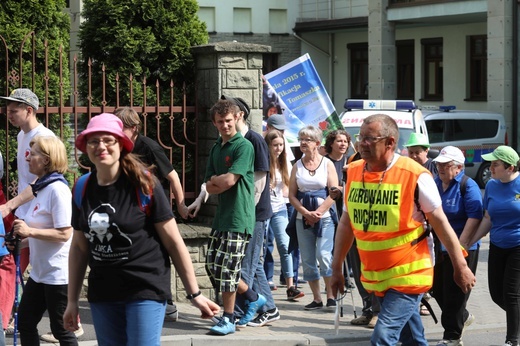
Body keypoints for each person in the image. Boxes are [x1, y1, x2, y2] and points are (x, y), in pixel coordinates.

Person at [63, 113, 219, 345]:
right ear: (86, 147)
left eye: (108, 140)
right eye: (94, 141)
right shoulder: (82, 188)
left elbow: (174, 242)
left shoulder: (144, 184)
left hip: (144, 287)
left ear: (121, 144)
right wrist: (72, 301)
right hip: (103, 291)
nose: (101, 146)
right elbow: (78, 247)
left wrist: (194, 294)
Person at [330, 113, 476, 345]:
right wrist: (336, 268)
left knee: (382, 337)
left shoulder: (415, 175)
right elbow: (347, 223)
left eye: (370, 139)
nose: (361, 144)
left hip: (410, 276)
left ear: (390, 143)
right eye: (361, 137)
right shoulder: (353, 171)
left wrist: (460, 266)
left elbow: (440, 222)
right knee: (412, 339)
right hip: (378, 276)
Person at [0, 88, 73, 339]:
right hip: (27, 218)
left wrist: (10, 207)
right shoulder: (23, 136)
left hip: (51, 259)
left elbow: (65, 232)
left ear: (29, 110)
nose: (8, 114)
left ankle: (6, 317)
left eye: (13, 110)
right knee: (15, 264)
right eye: (7, 110)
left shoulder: (44, 139)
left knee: (61, 328)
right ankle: (8, 317)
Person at [115, 106, 187, 322]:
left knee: (159, 256)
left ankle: (168, 304)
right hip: (131, 213)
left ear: (134, 128)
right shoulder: (118, 148)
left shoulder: (148, 147)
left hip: (155, 212)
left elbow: (173, 177)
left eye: (122, 127)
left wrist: (182, 206)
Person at [220, 95, 278, 329]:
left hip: (254, 214)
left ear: (239, 115)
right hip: (242, 214)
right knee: (251, 265)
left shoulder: (254, 140)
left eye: (229, 115)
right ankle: (268, 308)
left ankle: (251, 309)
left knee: (246, 266)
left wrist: (246, 212)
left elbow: (259, 182)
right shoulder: (231, 140)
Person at [203, 98, 258, 335]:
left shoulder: (243, 146)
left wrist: (219, 181)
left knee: (228, 271)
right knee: (212, 265)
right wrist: (218, 182)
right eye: (220, 122)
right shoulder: (216, 148)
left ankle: (229, 318)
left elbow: (228, 180)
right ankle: (254, 298)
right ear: (214, 123)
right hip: (222, 217)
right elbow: (209, 185)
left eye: (228, 120)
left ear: (236, 118)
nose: (224, 125)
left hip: (239, 218)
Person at [467, 146, 520, 346]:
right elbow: (488, 218)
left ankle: (512, 340)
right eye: (491, 163)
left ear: (510, 167)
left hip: (518, 245)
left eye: (496, 164)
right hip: (497, 244)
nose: (491, 168)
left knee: (511, 293)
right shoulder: (491, 186)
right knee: (496, 294)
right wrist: (470, 241)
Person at [431, 146, 482, 346]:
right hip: (438, 246)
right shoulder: (435, 183)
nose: (441, 169)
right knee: (436, 288)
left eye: (446, 165)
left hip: (463, 245)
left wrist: (461, 246)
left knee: (455, 293)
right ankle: (464, 316)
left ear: (459, 168)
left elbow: (475, 216)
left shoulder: (468, 186)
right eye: (439, 165)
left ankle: (452, 336)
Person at [288, 125, 339, 310]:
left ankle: (331, 295)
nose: (302, 142)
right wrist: (305, 212)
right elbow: (291, 195)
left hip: (324, 217)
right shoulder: (297, 166)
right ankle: (317, 298)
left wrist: (319, 212)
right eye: (301, 139)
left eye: (307, 139)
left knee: (323, 255)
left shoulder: (327, 164)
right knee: (308, 260)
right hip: (303, 218)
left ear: (317, 143)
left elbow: (333, 192)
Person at [264, 129, 304, 301]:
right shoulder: (263, 161)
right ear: (268, 145)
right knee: (262, 247)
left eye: (281, 145)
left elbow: (288, 188)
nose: (278, 148)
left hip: (279, 208)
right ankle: (262, 283)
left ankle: (290, 286)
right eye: (275, 145)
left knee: (285, 245)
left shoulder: (285, 163)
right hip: (263, 209)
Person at [404, 132, 438, 316]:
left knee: (428, 262)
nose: (414, 156)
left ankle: (426, 298)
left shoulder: (432, 168)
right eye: (411, 152)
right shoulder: (407, 169)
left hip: (431, 225)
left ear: (427, 151)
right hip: (414, 227)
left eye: (418, 152)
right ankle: (420, 299)